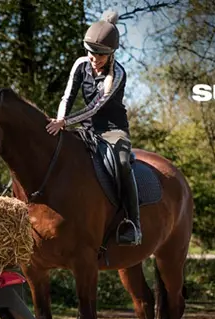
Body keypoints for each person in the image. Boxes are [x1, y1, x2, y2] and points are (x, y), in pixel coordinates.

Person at [45, 9, 141, 246]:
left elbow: (95, 108)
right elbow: (67, 97)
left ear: (111, 54)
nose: (94, 59)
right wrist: (60, 120)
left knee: (120, 163)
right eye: (91, 53)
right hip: (84, 128)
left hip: (112, 130)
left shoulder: (117, 74)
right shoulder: (80, 64)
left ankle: (133, 224)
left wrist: (65, 122)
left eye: (100, 55)